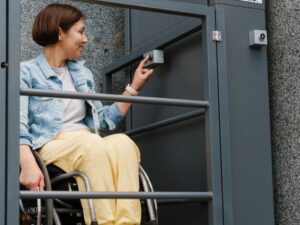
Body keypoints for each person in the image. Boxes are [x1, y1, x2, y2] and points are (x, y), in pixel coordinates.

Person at [19, 3, 153, 225]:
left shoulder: (82, 73)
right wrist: (27, 163)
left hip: (86, 141)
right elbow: (17, 124)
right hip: (51, 143)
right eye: (80, 31)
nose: (86, 39)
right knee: (93, 145)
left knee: (123, 143)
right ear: (60, 32)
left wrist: (134, 87)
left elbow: (104, 120)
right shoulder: (26, 72)